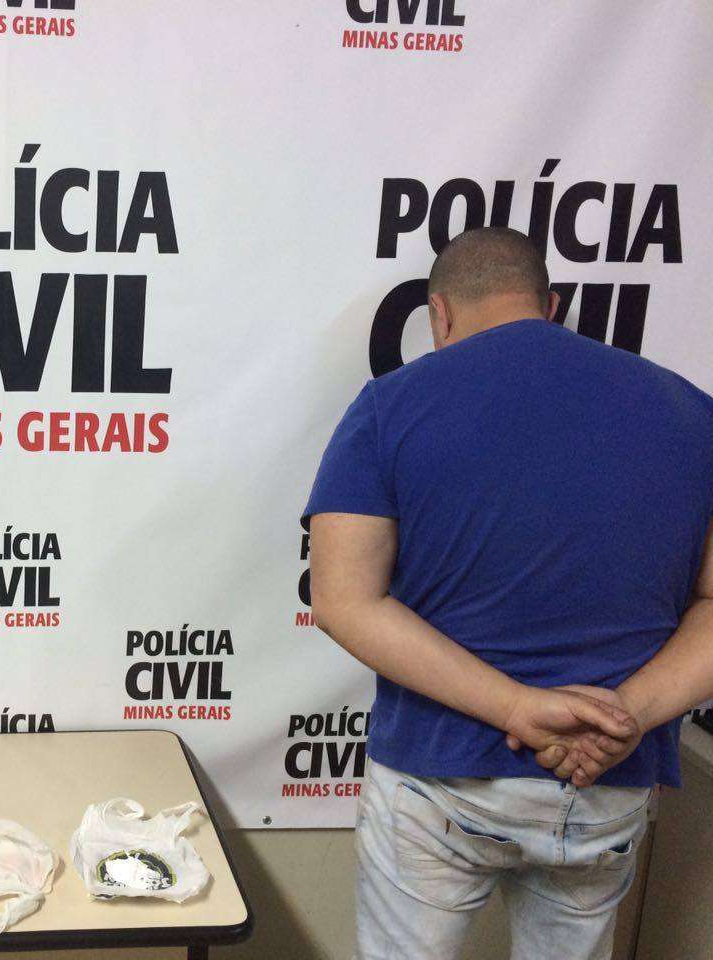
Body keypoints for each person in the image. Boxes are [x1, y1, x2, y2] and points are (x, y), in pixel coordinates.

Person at [304, 226, 713, 960]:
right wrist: (622, 715)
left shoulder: (390, 406)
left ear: (439, 314)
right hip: (609, 780)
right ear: (550, 306)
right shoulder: (694, 412)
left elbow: (342, 600)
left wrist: (519, 709)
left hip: (442, 773)